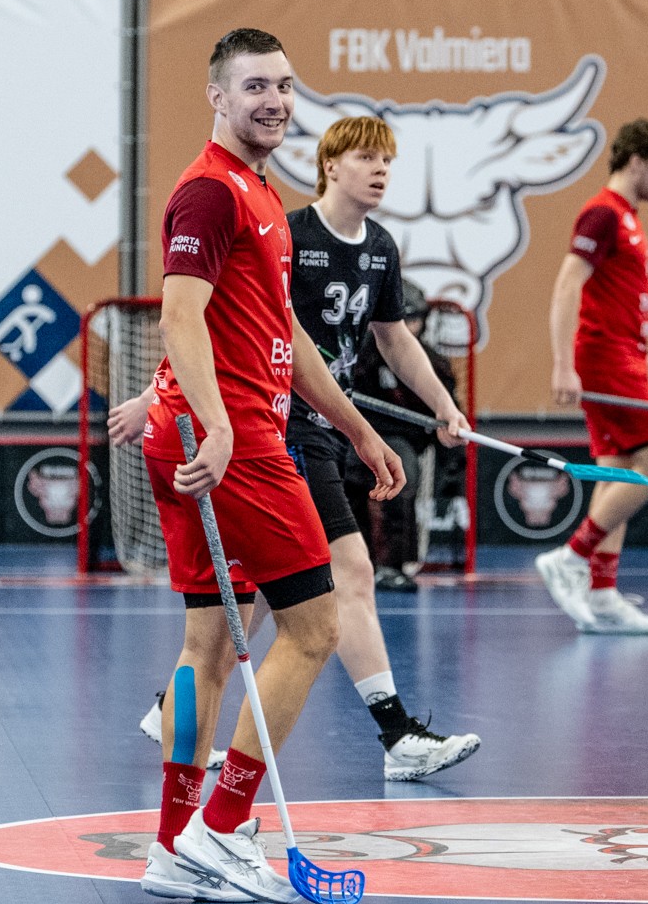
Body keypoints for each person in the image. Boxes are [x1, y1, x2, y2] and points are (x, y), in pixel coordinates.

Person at [127, 27, 403, 904]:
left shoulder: (259, 193)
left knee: (208, 644)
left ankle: (174, 847)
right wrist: (216, 426)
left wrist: (357, 428)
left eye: (284, 84)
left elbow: (282, 332)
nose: (275, 100)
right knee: (315, 627)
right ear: (217, 96)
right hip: (237, 442)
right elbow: (179, 315)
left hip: (205, 432)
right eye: (255, 86)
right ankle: (222, 825)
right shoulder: (213, 191)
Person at [121, 118, 479, 783]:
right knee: (347, 575)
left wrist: (442, 408)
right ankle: (395, 733)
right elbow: (209, 316)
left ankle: (175, 707)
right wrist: (155, 395)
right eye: (366, 157)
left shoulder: (380, 248)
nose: (380, 170)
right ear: (330, 164)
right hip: (277, 426)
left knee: (265, 600)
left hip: (322, 423)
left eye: (387, 160)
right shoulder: (289, 229)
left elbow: (395, 339)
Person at [534, 119, 648, 635]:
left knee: (618, 472)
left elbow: (627, 301)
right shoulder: (603, 213)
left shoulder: (629, 218)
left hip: (627, 358)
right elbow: (566, 285)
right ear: (637, 161)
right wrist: (563, 363)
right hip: (606, 359)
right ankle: (571, 557)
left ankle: (601, 595)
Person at [352, 280, 466, 590]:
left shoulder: (434, 364)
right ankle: (357, 560)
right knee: (347, 480)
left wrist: (452, 465)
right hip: (358, 433)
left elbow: (448, 419)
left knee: (398, 479)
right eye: (404, 320)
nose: (409, 327)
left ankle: (392, 565)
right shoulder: (362, 356)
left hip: (405, 440)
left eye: (414, 320)